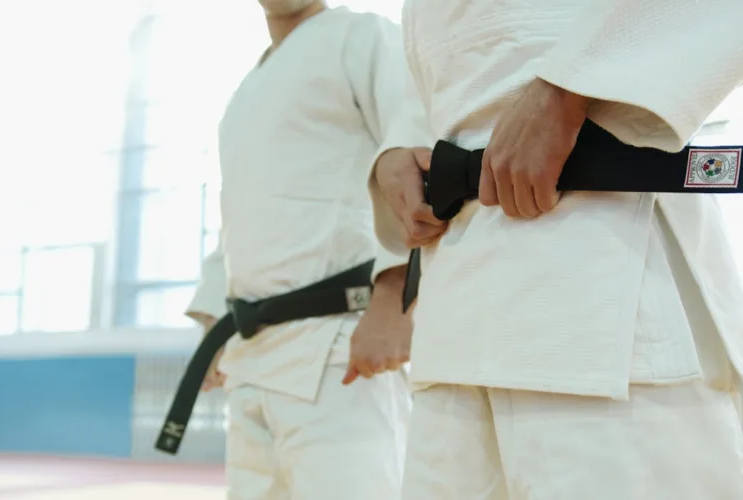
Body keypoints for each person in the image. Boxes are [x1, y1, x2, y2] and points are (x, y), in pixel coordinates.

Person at [369, 1, 743, 498]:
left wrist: (569, 85)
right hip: (453, 310)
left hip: (599, 272)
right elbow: (454, 66)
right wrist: (398, 153)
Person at [184, 1, 433, 499]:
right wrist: (214, 316)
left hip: (339, 348)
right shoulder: (245, 90)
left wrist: (394, 300)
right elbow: (240, 211)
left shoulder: (362, 37)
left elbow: (412, 152)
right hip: (251, 356)